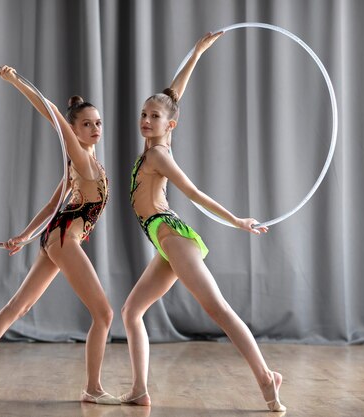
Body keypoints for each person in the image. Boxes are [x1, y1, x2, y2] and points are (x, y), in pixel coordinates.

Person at [120, 33, 286, 412]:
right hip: (163, 240)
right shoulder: (153, 144)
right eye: (144, 114)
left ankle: (265, 376)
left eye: (155, 117)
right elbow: (173, 96)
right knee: (132, 312)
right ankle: (139, 389)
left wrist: (236, 220)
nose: (146, 120)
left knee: (218, 310)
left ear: (170, 126)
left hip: (172, 235)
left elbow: (194, 194)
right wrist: (196, 52)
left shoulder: (160, 154)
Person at [0, 66, 119, 405]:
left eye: (98, 123)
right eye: (86, 124)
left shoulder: (86, 165)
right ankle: (92, 388)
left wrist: (26, 236)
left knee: (20, 305)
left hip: (55, 237)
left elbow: (52, 204)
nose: (94, 129)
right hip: (64, 240)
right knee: (104, 314)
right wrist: (16, 81)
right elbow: (53, 114)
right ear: (73, 131)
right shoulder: (79, 157)